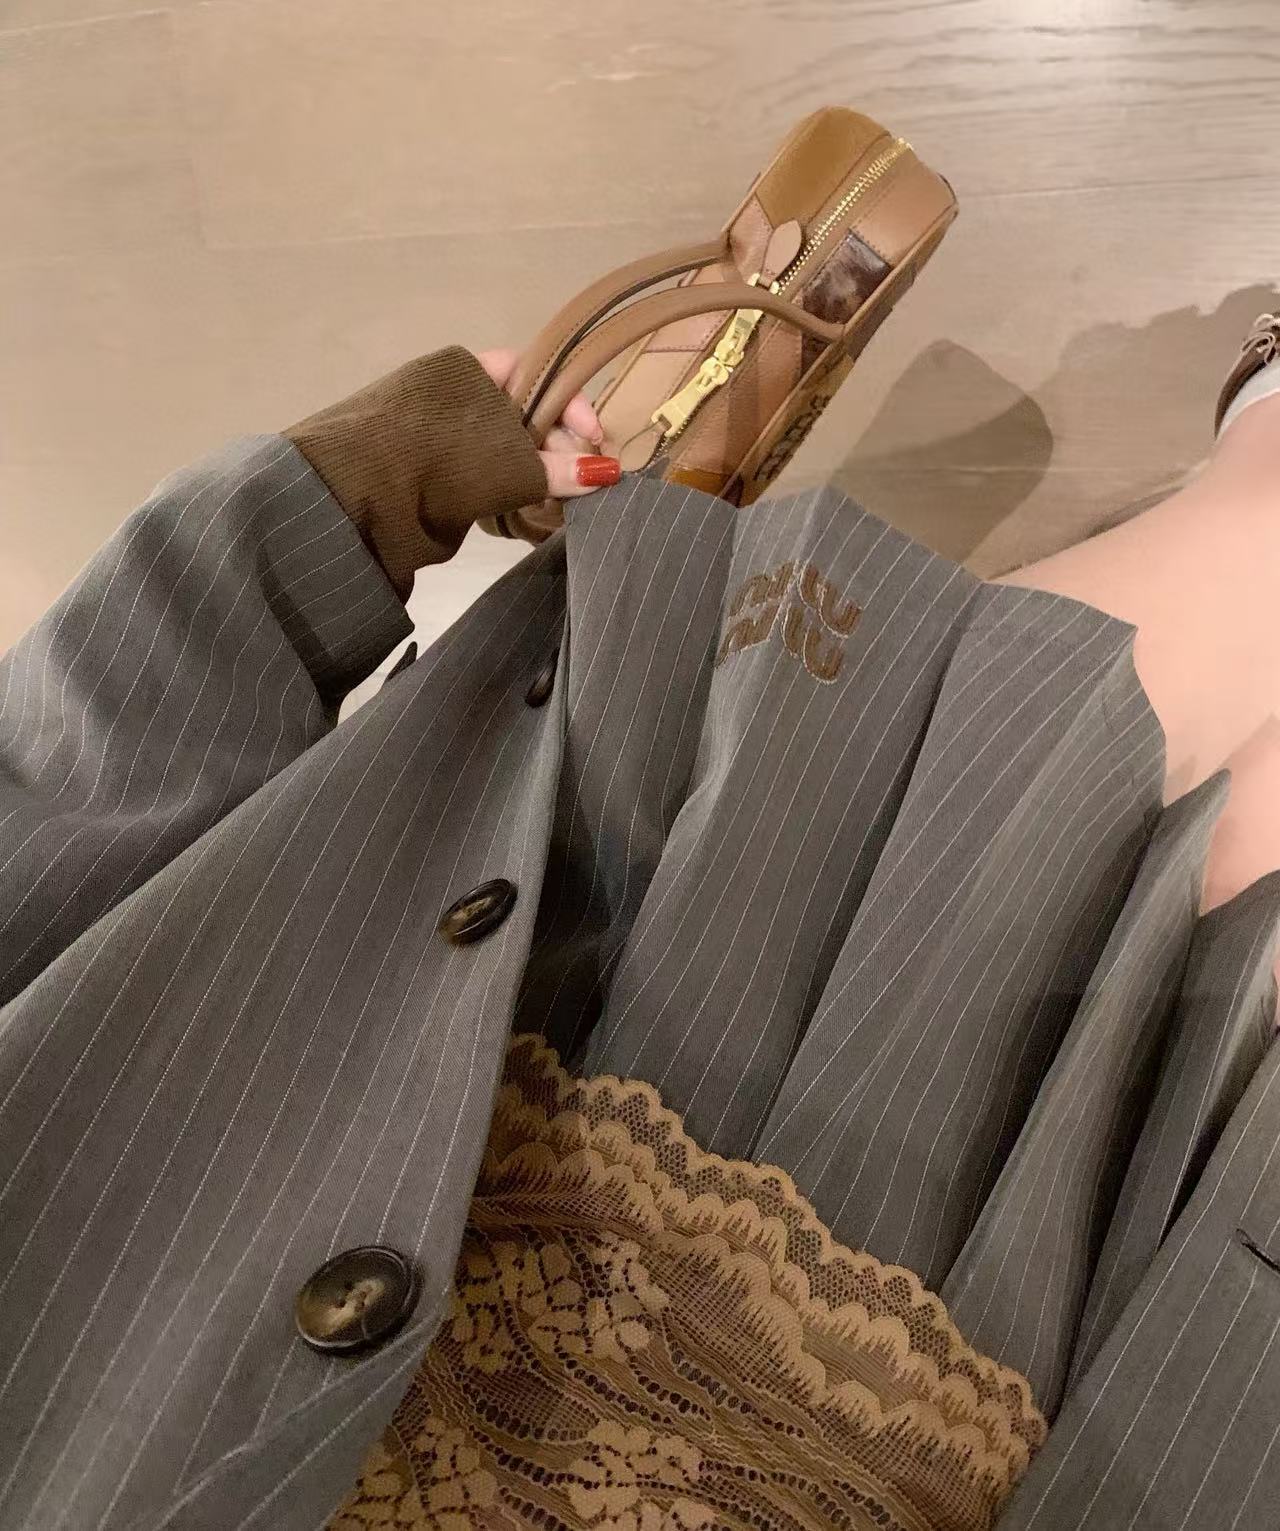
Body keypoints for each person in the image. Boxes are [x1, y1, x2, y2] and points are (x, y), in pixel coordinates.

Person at [0, 321, 1278, 1531]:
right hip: (891, 1403)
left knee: (1087, 729)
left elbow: (42, 844)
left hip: (517, 1059)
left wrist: (310, 522)